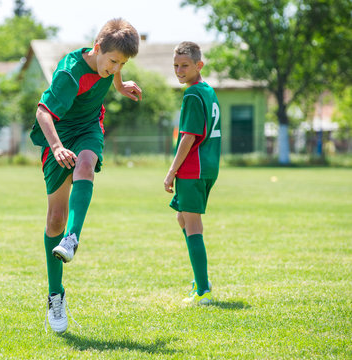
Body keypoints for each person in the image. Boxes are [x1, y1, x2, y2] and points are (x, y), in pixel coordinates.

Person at [30, 18, 142, 333]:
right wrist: (56, 147)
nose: (115, 67)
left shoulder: (110, 62)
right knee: (54, 218)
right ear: (96, 48)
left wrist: (121, 85)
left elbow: (113, 72)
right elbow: (42, 112)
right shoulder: (69, 74)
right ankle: (55, 295)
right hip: (59, 136)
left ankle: (73, 238)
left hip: (90, 128)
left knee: (86, 165)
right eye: (112, 62)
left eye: (121, 64)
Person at [163, 41, 221, 305]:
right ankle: (201, 280)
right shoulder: (208, 91)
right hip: (207, 167)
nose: (179, 70)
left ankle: (203, 291)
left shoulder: (192, 95)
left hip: (193, 168)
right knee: (183, 219)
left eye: (184, 65)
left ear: (199, 65)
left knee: (193, 225)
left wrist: (171, 171)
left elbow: (188, 137)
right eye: (175, 65)